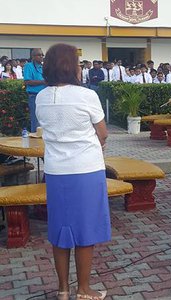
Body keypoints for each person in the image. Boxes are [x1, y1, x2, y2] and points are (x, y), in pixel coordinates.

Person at [36, 43, 109, 300]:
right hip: (86, 170)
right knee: (85, 230)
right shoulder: (87, 96)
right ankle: (85, 290)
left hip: (56, 171)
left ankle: (63, 289)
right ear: (71, 66)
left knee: (60, 230)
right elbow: (103, 133)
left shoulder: (41, 97)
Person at [23, 48, 46, 133]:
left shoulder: (43, 67)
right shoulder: (28, 66)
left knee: (44, 119)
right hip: (34, 96)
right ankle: (34, 139)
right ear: (33, 56)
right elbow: (27, 81)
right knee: (35, 119)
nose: (41, 57)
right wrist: (43, 82)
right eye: (39, 55)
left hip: (45, 96)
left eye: (42, 55)